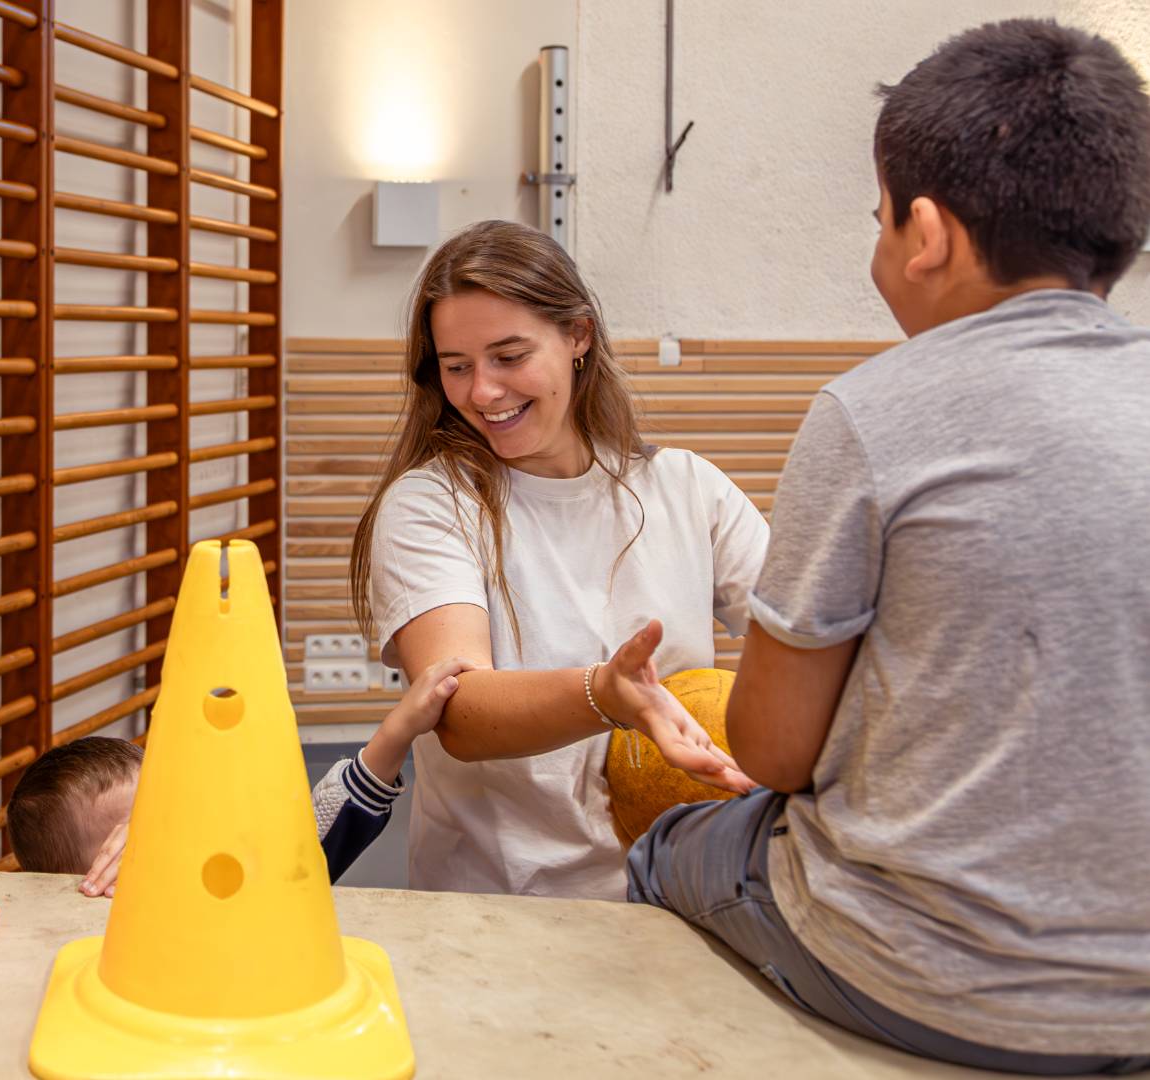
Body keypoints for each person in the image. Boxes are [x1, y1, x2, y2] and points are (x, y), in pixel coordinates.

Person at [618, 19, 1150, 1073]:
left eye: (876, 221)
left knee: (663, 848)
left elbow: (773, 751)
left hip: (920, 978)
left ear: (927, 233)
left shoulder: (872, 412)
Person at [349, 219, 762, 901]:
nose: (482, 391)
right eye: (457, 366)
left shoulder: (689, 488)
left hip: (681, 895)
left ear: (578, 336)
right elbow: (457, 710)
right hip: (505, 909)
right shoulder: (430, 505)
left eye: (509, 356)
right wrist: (607, 694)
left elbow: (807, 641)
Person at [5, 657, 473, 895]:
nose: (173, 831)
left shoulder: (228, 885)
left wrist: (399, 729)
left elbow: (308, 843)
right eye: (138, 836)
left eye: (169, 809)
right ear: (90, 880)